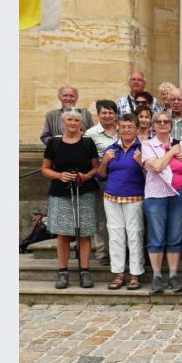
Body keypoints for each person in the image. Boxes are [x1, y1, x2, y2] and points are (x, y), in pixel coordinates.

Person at [41, 108, 100, 289]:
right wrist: (60, 176)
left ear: (81, 124)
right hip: (61, 191)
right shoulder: (54, 143)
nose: (73, 123)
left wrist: (86, 176)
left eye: (76, 121)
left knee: (85, 232)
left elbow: (95, 168)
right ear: (63, 122)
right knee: (63, 233)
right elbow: (45, 169)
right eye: (69, 120)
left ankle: (84, 271)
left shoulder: (88, 143)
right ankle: (63, 271)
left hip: (85, 191)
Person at [142, 110, 182, 294]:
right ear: (153, 125)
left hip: (178, 195)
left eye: (166, 122)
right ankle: (157, 276)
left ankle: (173, 275)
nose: (163, 124)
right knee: (156, 237)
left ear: (171, 125)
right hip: (156, 196)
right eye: (159, 122)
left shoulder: (180, 144)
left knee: (175, 236)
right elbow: (156, 166)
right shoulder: (148, 144)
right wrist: (172, 152)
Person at [97, 114, 145, 290]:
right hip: (111, 197)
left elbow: (151, 178)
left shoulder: (143, 149)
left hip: (134, 197)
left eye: (130, 126)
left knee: (135, 234)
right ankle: (118, 274)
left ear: (137, 129)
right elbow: (101, 175)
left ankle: (135, 274)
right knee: (115, 235)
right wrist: (105, 161)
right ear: (118, 127)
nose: (126, 130)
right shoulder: (111, 149)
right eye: (123, 126)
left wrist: (141, 164)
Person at [85, 100, 119, 266]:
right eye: (104, 112)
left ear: (115, 114)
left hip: (122, 180)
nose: (107, 116)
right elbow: (87, 159)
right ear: (98, 114)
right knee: (102, 218)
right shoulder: (91, 134)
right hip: (101, 181)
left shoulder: (122, 130)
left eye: (110, 112)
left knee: (120, 219)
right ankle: (102, 251)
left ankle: (119, 251)